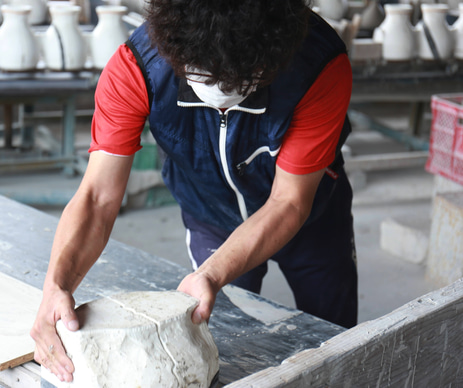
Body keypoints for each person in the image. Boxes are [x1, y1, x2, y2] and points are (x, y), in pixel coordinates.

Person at [30, 0, 357, 383]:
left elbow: (289, 202)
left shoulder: (318, 65)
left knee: (337, 342)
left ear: (271, 60)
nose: (219, 89)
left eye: (240, 80)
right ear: (176, 51)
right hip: (210, 215)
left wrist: (214, 273)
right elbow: (97, 197)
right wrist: (57, 285)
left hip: (313, 220)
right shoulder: (138, 68)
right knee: (224, 344)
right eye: (202, 74)